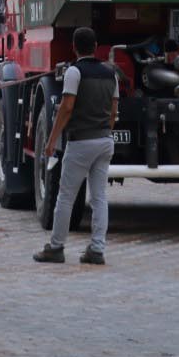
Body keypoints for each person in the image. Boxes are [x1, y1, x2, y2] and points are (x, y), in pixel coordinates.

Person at [33, 27, 118, 266]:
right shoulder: (111, 74)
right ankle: (97, 249)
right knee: (99, 197)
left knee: (66, 196)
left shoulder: (74, 72)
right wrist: (105, 132)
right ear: (96, 46)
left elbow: (67, 107)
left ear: (74, 46)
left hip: (81, 141)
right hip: (104, 140)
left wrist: (51, 140)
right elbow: (113, 111)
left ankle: (56, 247)